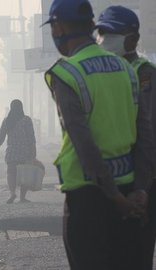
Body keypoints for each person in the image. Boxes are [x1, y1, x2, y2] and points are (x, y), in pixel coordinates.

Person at [43, 0, 148, 268]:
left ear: (59, 27)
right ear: (92, 26)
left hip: (88, 199)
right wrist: (138, 192)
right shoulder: (127, 68)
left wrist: (115, 198)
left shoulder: (65, 74)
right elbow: (145, 134)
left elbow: (84, 144)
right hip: (129, 191)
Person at [96, 6, 156, 269]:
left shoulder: (145, 74)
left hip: (141, 177)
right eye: (102, 33)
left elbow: (147, 133)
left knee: (137, 253)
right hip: (110, 177)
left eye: (112, 34)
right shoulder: (101, 71)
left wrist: (141, 186)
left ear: (132, 39)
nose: (104, 40)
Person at [0, 100, 36, 204]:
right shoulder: (26, 120)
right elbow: (31, 137)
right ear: (21, 107)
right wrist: (33, 151)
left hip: (12, 150)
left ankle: (12, 193)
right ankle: (22, 197)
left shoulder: (7, 120)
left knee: (11, 173)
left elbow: (1, 136)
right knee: (24, 174)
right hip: (24, 151)